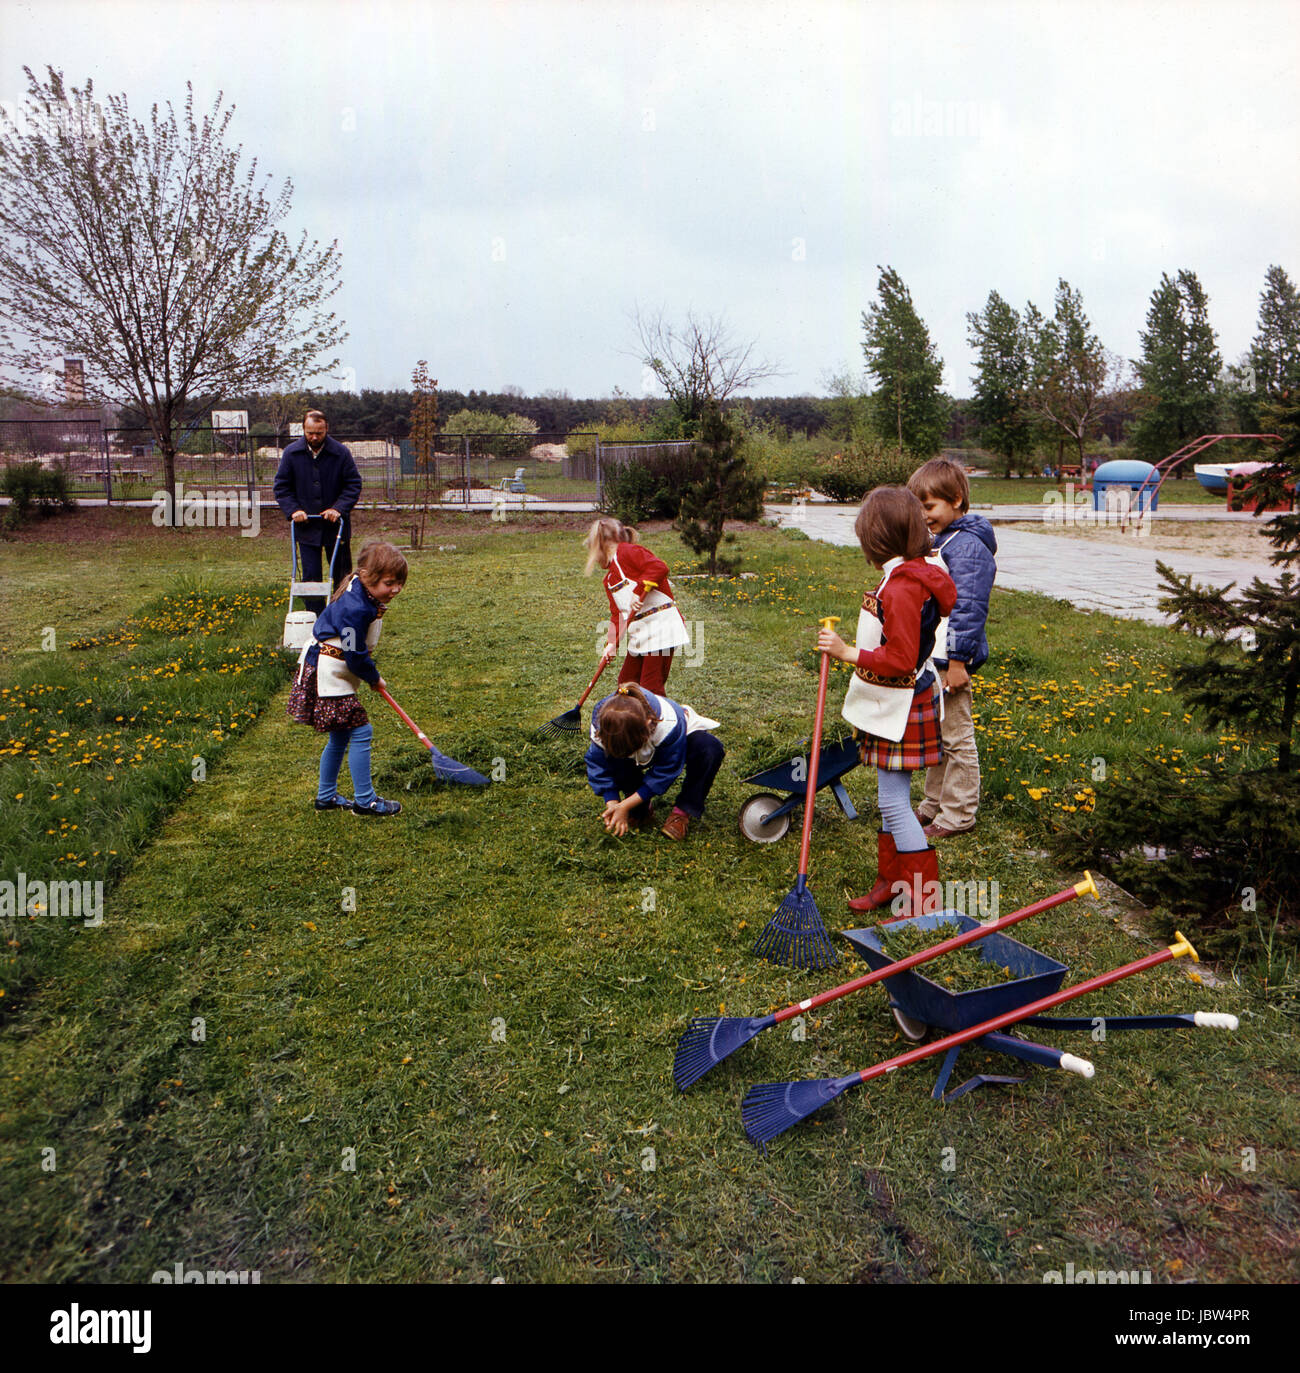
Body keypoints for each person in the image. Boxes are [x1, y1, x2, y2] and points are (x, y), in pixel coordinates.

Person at [816, 487, 956, 918]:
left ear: (877, 541)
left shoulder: (902, 588)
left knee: (895, 803)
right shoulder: (908, 574)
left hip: (902, 703)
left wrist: (846, 652)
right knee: (888, 800)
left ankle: (922, 901)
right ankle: (891, 884)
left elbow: (898, 658)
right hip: (895, 700)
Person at [907, 458, 997, 838]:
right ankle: (933, 803)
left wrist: (958, 662)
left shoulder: (968, 547)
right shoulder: (943, 541)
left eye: (929, 507)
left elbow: (969, 608)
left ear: (956, 499)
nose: (924, 516)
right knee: (937, 734)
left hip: (951, 661)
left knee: (956, 737)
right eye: (919, 509)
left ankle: (958, 814)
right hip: (934, 659)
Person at [286, 539, 408, 818]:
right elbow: (355, 654)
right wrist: (374, 677)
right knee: (361, 731)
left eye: (399, 583)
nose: (396, 589)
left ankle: (326, 796)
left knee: (340, 736)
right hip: (329, 672)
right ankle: (365, 801)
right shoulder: (355, 609)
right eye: (389, 583)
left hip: (330, 668)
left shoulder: (361, 590)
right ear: (366, 576)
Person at [585, 683, 724, 841]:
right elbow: (599, 764)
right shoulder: (602, 727)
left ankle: (682, 812)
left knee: (709, 749)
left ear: (647, 726)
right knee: (615, 760)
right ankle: (640, 808)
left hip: (679, 738)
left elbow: (666, 771)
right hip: (636, 741)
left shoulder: (669, 724)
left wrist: (624, 806)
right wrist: (613, 804)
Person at [584, 517, 690, 695]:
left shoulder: (627, 552)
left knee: (650, 687)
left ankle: (660, 720)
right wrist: (611, 643)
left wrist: (638, 589)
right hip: (641, 633)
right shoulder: (609, 580)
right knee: (626, 684)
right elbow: (617, 615)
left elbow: (659, 567)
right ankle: (630, 719)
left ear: (602, 544)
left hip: (662, 627)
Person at [274, 410, 363, 613]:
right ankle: (315, 617)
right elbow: (282, 487)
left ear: (326, 430)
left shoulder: (340, 453)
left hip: (336, 527)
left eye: (319, 433)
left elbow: (353, 485)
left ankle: (341, 614)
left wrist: (338, 508)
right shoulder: (291, 453)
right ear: (304, 430)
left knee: (342, 574)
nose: (314, 437)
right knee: (310, 576)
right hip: (307, 527)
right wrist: (294, 510)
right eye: (310, 433)